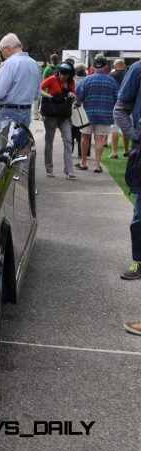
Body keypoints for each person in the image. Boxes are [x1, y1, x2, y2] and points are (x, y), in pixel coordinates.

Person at [115, 61, 141, 334]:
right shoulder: (137, 70)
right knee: (139, 219)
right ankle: (139, 260)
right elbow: (120, 108)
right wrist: (134, 135)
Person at [75, 56, 118, 173]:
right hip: (105, 114)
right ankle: (97, 165)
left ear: (93, 67)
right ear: (105, 67)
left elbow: (78, 98)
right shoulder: (112, 81)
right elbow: (117, 98)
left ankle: (83, 162)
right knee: (99, 139)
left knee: (85, 137)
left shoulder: (86, 80)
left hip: (88, 113)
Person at [0, 33, 42, 129]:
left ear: (8, 48)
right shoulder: (35, 64)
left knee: (5, 143)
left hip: (9, 113)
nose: (2, 55)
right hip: (27, 113)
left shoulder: (9, 64)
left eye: (1, 51)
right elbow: (37, 95)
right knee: (21, 143)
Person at [40, 62, 77, 179]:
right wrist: (48, 96)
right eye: (61, 73)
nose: (62, 76)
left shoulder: (71, 82)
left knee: (68, 140)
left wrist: (71, 93)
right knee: (49, 143)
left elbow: (73, 94)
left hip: (64, 115)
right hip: (51, 114)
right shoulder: (52, 79)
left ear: (70, 75)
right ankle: (49, 169)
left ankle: (69, 170)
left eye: (65, 75)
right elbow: (38, 89)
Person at [109, 59, 130, 158]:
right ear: (124, 65)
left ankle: (114, 152)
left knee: (115, 128)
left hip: (115, 104)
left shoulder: (111, 76)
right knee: (126, 128)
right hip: (128, 103)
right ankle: (126, 150)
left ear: (115, 66)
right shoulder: (129, 74)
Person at [72, 63, 88, 159]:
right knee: (83, 132)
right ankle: (81, 153)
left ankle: (69, 151)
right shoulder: (88, 80)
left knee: (72, 130)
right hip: (84, 108)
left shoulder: (72, 80)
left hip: (73, 107)